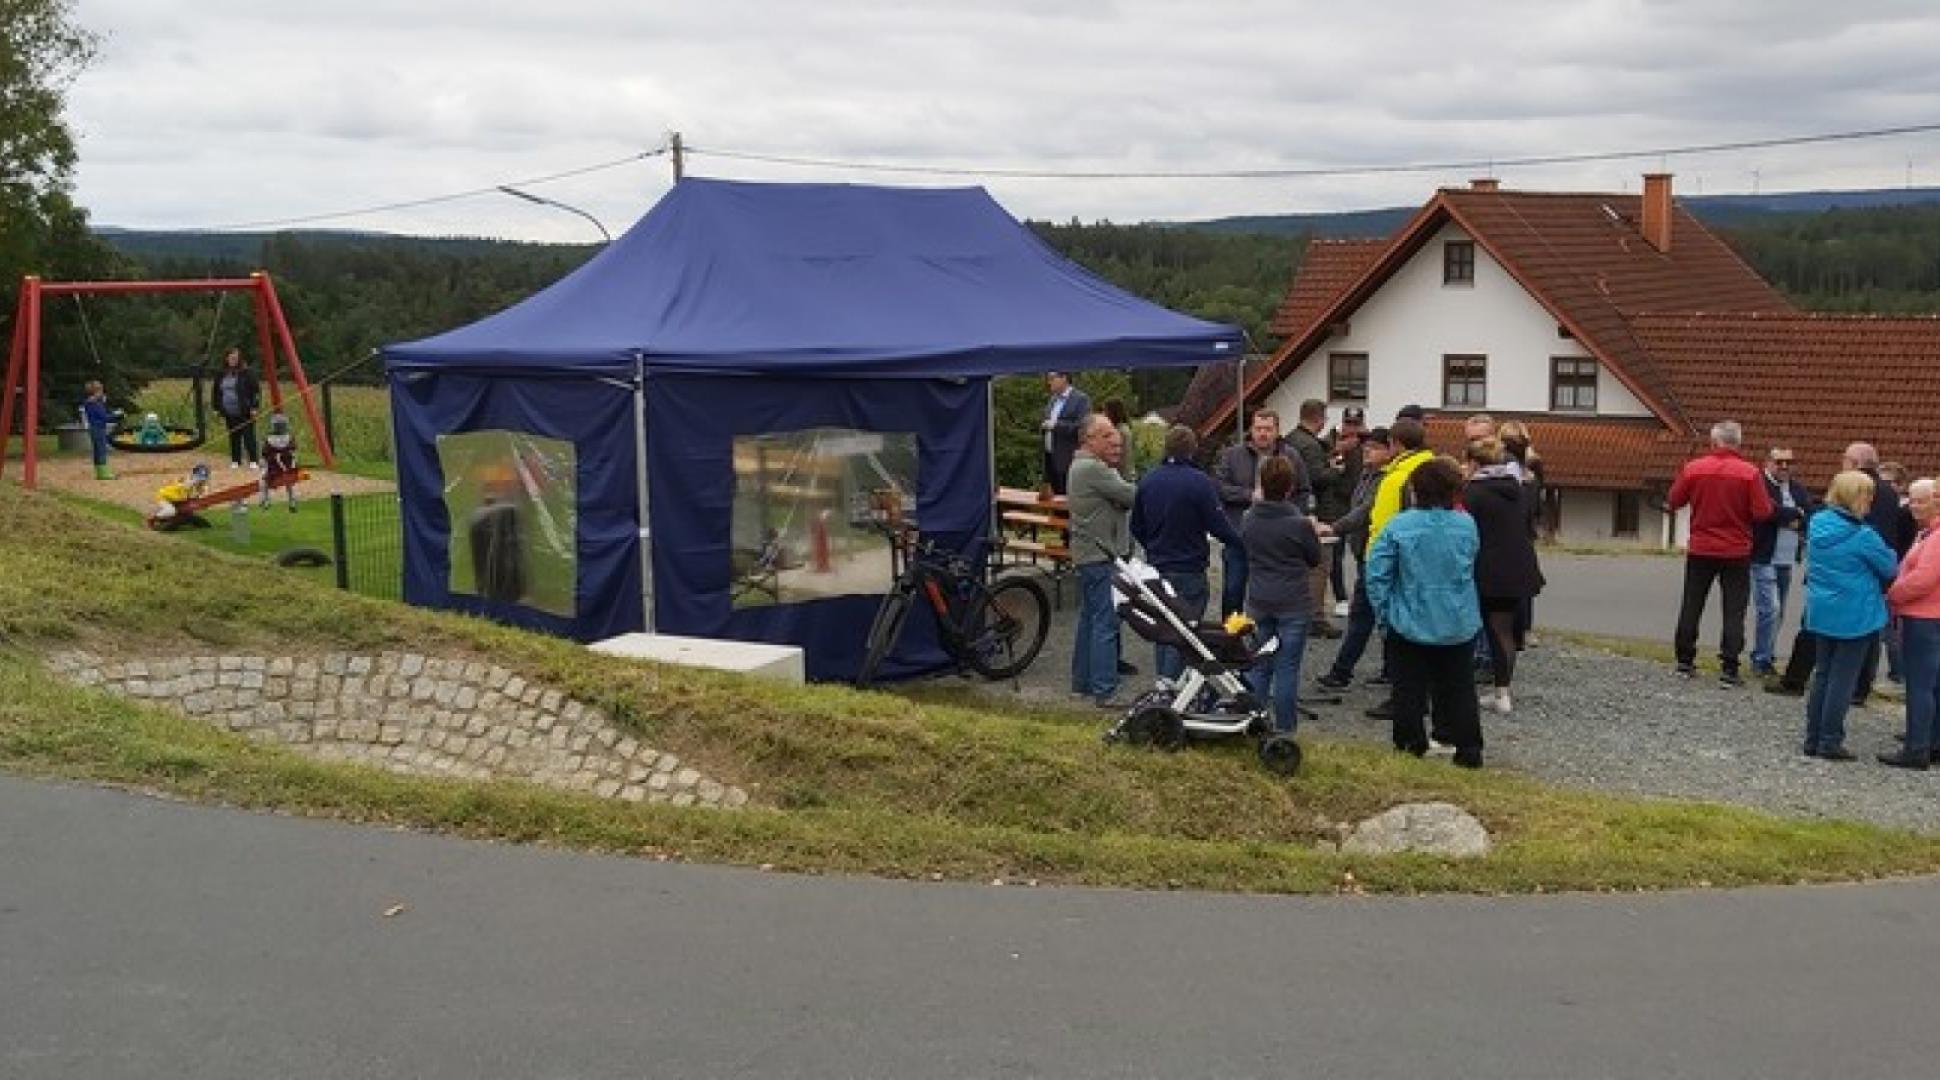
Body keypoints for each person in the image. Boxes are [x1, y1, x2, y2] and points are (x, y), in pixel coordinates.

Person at [1365, 456, 1485, 768]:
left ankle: (1410, 745)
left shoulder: (1399, 525)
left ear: (1415, 490)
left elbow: (1376, 573)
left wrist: (1385, 613)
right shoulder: (1467, 525)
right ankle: (1469, 749)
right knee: (1460, 688)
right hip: (1457, 619)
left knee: (1408, 689)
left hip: (1410, 618)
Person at [1800, 471, 1898, 761]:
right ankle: (1830, 740)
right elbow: (1889, 567)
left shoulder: (1817, 523)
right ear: (1857, 497)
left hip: (1822, 609)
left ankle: (1813, 737)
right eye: (1867, 494)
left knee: (1823, 674)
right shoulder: (1863, 536)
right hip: (1855, 614)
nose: (1871, 500)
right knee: (1842, 679)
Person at [1132, 425, 1243, 680]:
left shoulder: (1148, 480)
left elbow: (1136, 525)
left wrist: (1152, 546)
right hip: (1189, 567)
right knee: (1184, 632)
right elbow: (1218, 526)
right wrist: (1242, 544)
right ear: (1193, 449)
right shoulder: (1199, 482)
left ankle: (1163, 680)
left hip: (1157, 567)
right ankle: (1173, 686)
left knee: (1163, 627)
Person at [1668, 420, 1773, 686]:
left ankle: (1684, 660)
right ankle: (1729, 666)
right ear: (1738, 443)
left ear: (1714, 442)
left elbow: (1674, 500)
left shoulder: (1694, 468)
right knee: (1734, 609)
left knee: (1692, 603)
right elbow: (1762, 512)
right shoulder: (1749, 473)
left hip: (1701, 546)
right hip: (1736, 549)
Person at [1241, 455, 1322, 736]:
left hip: (1259, 598)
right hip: (1293, 601)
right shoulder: (1299, 524)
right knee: (1287, 667)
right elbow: (1314, 558)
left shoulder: (1249, 518)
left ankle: (1254, 720)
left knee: (1259, 664)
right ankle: (1285, 728)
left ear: (1261, 484)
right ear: (1290, 488)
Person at [1465, 437, 1545, 714]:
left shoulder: (1474, 491)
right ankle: (1502, 691)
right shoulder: (1518, 487)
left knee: (1477, 629)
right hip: (1519, 566)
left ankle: (1464, 688)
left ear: (1474, 462)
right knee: (1504, 630)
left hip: (1487, 569)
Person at [1315, 425, 1392, 691]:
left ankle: (1342, 671)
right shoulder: (1366, 474)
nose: (1368, 451)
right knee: (1370, 615)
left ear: (1389, 451)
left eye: (1375, 448)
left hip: (1375, 553)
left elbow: (1364, 511)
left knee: (1364, 615)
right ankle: (1386, 669)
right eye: (1367, 447)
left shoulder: (1385, 479)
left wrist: (1335, 527)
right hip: (1362, 551)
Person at [1068, 416, 1137, 706]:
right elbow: (1131, 495)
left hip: (1088, 554)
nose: (1114, 441)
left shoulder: (1081, 466)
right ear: (1089, 439)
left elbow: (1120, 498)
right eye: (1106, 436)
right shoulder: (1093, 469)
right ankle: (1105, 689)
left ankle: (1082, 682)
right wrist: (1126, 482)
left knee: (1089, 619)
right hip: (1100, 555)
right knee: (1105, 622)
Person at [1213, 409, 1307, 620]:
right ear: (1251, 429)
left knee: (1272, 593)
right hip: (1239, 535)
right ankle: (1231, 633)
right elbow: (1219, 488)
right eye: (1258, 429)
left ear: (1277, 431)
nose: (1263, 434)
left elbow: (1304, 491)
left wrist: (1292, 516)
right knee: (1233, 589)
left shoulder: (1291, 456)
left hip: (1278, 540)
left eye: (1268, 429)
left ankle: (1268, 633)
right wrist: (1248, 495)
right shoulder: (1232, 455)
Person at [1882, 478, 1940, 769]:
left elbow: (1924, 579)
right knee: (1933, 684)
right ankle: (1930, 741)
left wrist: (1893, 594)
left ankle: (1916, 748)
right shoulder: (1928, 533)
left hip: (1924, 617)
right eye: (1912, 500)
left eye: (1921, 500)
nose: (1914, 506)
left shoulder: (1936, 537)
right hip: (1929, 615)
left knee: (1919, 684)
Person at [1750, 447, 1812, 677]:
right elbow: (1767, 512)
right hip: (1763, 556)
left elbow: (1809, 513)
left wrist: (1795, 516)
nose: (1784, 467)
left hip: (1786, 559)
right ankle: (1761, 659)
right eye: (1779, 462)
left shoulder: (1797, 488)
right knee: (1770, 609)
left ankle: (1768, 654)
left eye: (1789, 462)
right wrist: (1793, 514)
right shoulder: (1759, 485)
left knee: (1780, 611)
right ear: (1767, 462)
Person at [1285, 399, 1343, 638]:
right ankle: (1315, 617)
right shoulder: (1310, 446)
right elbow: (1316, 478)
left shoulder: (1291, 439)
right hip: (1317, 512)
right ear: (1319, 419)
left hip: (1294, 510)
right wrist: (1336, 470)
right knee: (1319, 566)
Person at [1497, 419, 1545, 645]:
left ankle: (1514, 629)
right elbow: (1536, 506)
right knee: (1523, 581)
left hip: (1509, 532)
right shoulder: (1532, 469)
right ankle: (1523, 629)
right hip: (1525, 533)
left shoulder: (1503, 469)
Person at [1323, 406, 1367, 616]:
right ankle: (1340, 597)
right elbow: (1324, 468)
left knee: (1361, 551)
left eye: (1356, 424)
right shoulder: (1330, 441)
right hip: (1338, 503)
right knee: (1336, 553)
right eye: (1349, 423)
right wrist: (1337, 450)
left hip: (1360, 502)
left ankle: (1363, 596)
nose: (1352, 429)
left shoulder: (1367, 442)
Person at [211, 347, 262, 470]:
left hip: (245, 411)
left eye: (235, 358)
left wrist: (254, 407)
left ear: (239, 359)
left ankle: (253, 460)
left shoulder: (247, 373)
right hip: (229, 411)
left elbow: (256, 391)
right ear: (226, 358)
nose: (233, 360)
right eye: (231, 358)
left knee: (248, 436)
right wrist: (216, 408)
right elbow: (216, 391)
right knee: (234, 436)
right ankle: (235, 460)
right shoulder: (221, 374)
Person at [1039, 372, 1089, 495]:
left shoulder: (1080, 399)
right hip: (1050, 456)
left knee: (1067, 497)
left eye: (1052, 378)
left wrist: (1056, 425)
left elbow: (1083, 426)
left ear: (1064, 378)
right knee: (1054, 498)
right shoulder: (1053, 399)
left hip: (1068, 459)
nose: (1049, 382)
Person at [258, 413, 300, 511]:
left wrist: (262, 464)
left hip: (273, 469)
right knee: (290, 483)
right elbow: (293, 454)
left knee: (262, 480)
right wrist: (293, 465)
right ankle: (292, 502)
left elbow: (265, 456)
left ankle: (266, 500)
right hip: (288, 467)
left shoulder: (269, 440)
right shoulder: (290, 439)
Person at [79, 380, 116, 481]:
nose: (102, 393)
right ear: (96, 392)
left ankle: (99, 472)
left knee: (97, 450)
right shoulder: (96, 404)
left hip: (93, 428)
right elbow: (104, 417)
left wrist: (102, 402)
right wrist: (116, 415)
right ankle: (104, 473)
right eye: (101, 391)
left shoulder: (88, 403)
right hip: (99, 428)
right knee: (101, 450)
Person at [1101, 398, 1136, 482]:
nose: (1103, 414)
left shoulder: (1120, 431)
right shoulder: (1124, 428)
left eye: (1105, 411)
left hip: (1121, 477)